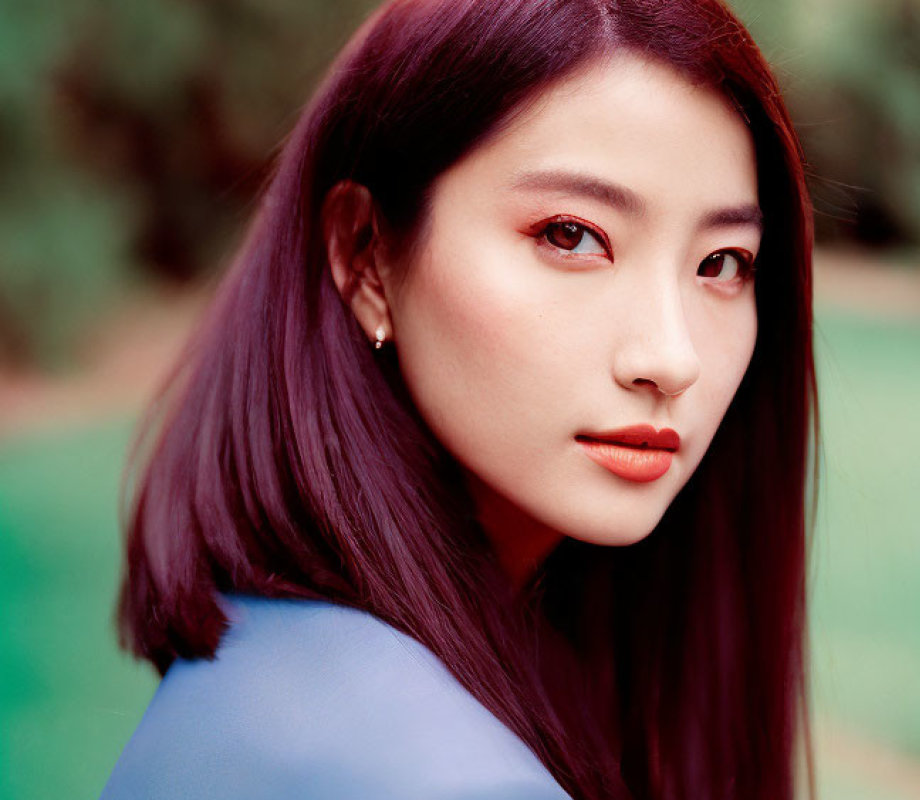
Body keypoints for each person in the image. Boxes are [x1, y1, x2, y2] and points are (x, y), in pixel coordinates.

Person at [102, 0, 817, 798]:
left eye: (721, 262)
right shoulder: (438, 771)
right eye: (570, 235)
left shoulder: (273, 655)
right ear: (366, 255)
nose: (671, 357)